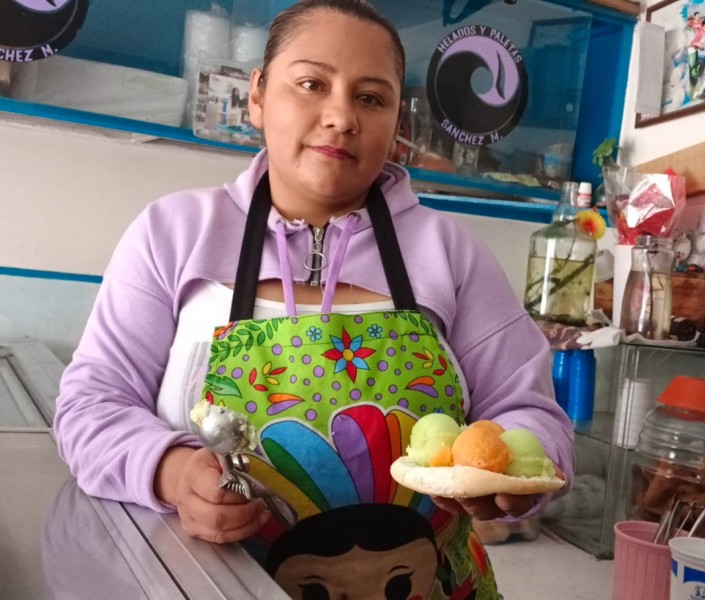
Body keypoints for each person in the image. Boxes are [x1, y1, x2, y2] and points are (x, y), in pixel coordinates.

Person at [54, 0, 575, 597]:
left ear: (395, 120)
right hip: (217, 583)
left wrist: (515, 470)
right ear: (257, 95)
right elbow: (91, 406)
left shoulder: (450, 252)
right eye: (311, 83)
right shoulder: (173, 233)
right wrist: (169, 471)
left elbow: (533, 414)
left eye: (371, 98)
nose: (340, 116)